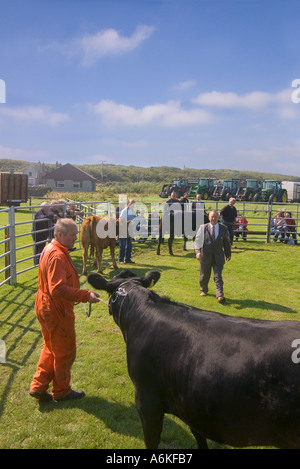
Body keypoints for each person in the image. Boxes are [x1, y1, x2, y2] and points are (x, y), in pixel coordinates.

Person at [30, 218, 100, 402]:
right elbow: (57, 288)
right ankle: (62, 391)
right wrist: (85, 295)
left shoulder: (50, 248)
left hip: (44, 304)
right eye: (72, 235)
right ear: (60, 234)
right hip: (56, 308)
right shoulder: (58, 256)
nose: (76, 238)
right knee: (65, 350)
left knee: (50, 347)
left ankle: (39, 385)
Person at [194, 210, 231, 303]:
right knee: (204, 275)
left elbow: (226, 243)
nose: (213, 218)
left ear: (218, 218)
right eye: (212, 217)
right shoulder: (203, 228)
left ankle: (219, 295)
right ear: (209, 218)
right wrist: (198, 252)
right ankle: (203, 289)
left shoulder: (224, 228)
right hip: (205, 256)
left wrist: (228, 254)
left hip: (218, 256)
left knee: (218, 276)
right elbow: (197, 241)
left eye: (215, 217)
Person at [118, 199, 137, 264]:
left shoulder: (133, 211)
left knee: (129, 245)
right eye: (131, 203)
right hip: (123, 229)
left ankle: (128, 259)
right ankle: (121, 260)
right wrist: (127, 222)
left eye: (134, 203)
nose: (133, 205)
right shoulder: (124, 211)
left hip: (130, 230)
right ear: (128, 203)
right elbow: (120, 220)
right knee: (122, 245)